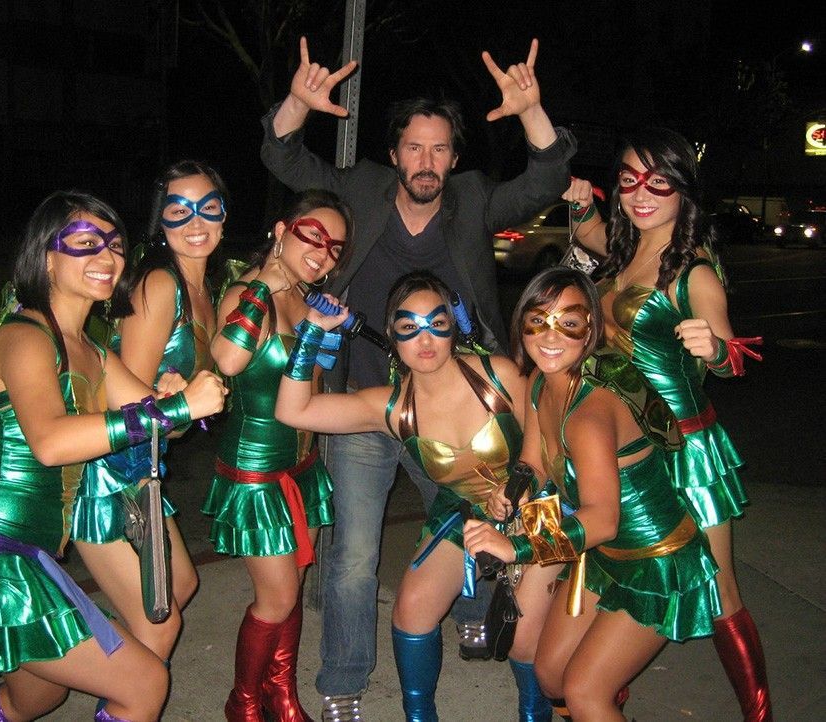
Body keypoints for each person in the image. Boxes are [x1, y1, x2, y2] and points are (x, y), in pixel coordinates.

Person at [260, 35, 577, 717]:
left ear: (454, 158)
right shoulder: (361, 188)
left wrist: (530, 111)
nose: (426, 162)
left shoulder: (472, 198)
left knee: (481, 508)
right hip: (368, 402)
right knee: (353, 556)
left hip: (452, 401)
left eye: (439, 149)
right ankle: (343, 683)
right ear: (394, 153)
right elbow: (284, 157)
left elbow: (544, 181)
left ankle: (475, 604)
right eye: (414, 148)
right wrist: (296, 103)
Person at [0, 190, 226, 722]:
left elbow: (156, 424)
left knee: (35, 698)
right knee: (144, 684)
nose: (107, 257)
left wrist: (173, 400)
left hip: (34, 554)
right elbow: (51, 442)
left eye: (114, 244)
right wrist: (171, 410)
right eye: (85, 244)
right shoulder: (26, 337)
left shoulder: (91, 350)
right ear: (45, 257)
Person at [562, 127, 770, 721]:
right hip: (626, 440)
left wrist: (716, 350)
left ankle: (760, 713)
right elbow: (587, 229)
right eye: (630, 180)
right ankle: (608, 690)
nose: (641, 194)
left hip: (685, 449)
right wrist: (579, 202)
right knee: (623, 558)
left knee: (721, 588)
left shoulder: (694, 272)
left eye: (658, 182)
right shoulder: (624, 248)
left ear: (683, 189)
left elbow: (732, 359)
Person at [275, 269, 534, 721]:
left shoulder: (499, 375)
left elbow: (546, 448)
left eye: (437, 323)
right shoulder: (393, 406)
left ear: (454, 326)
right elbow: (293, 409)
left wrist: (521, 490)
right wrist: (313, 331)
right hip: (467, 517)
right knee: (412, 610)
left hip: (536, 509)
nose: (425, 339)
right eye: (409, 327)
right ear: (392, 336)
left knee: (530, 645)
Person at [464, 266, 721, 721]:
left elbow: (602, 519)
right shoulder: (540, 382)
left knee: (585, 691)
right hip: (602, 555)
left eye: (569, 322)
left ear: (590, 330)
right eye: (538, 320)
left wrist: (516, 548)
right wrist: (514, 489)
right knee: (551, 674)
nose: (550, 336)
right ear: (521, 323)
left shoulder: (591, 413)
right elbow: (535, 461)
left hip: (657, 563)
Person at [70, 160, 227, 669]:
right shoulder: (160, 285)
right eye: (179, 211)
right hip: (108, 476)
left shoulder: (204, 289)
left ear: (225, 215)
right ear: (160, 220)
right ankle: (106, 683)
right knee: (160, 618)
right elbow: (127, 406)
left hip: (143, 468)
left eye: (208, 207)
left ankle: (111, 675)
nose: (196, 222)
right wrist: (174, 407)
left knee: (179, 586)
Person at [205, 189, 354, 722]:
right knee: (276, 599)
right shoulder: (248, 291)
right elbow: (227, 361)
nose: (323, 253)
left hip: (302, 466)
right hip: (256, 474)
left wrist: (319, 331)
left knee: (293, 588)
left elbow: (306, 386)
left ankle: (280, 693)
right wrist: (263, 289)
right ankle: (243, 702)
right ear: (281, 231)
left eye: (334, 247)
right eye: (313, 236)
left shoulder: (306, 297)